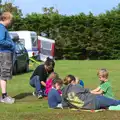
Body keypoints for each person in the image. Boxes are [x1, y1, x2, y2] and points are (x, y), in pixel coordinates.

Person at [0, 12, 15, 104]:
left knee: (2, 75)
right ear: (6, 19)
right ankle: (4, 96)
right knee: (4, 75)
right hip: (4, 53)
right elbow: (1, 41)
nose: (10, 22)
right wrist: (11, 44)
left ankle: (3, 96)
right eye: (10, 20)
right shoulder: (1, 28)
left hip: (4, 53)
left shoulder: (2, 28)